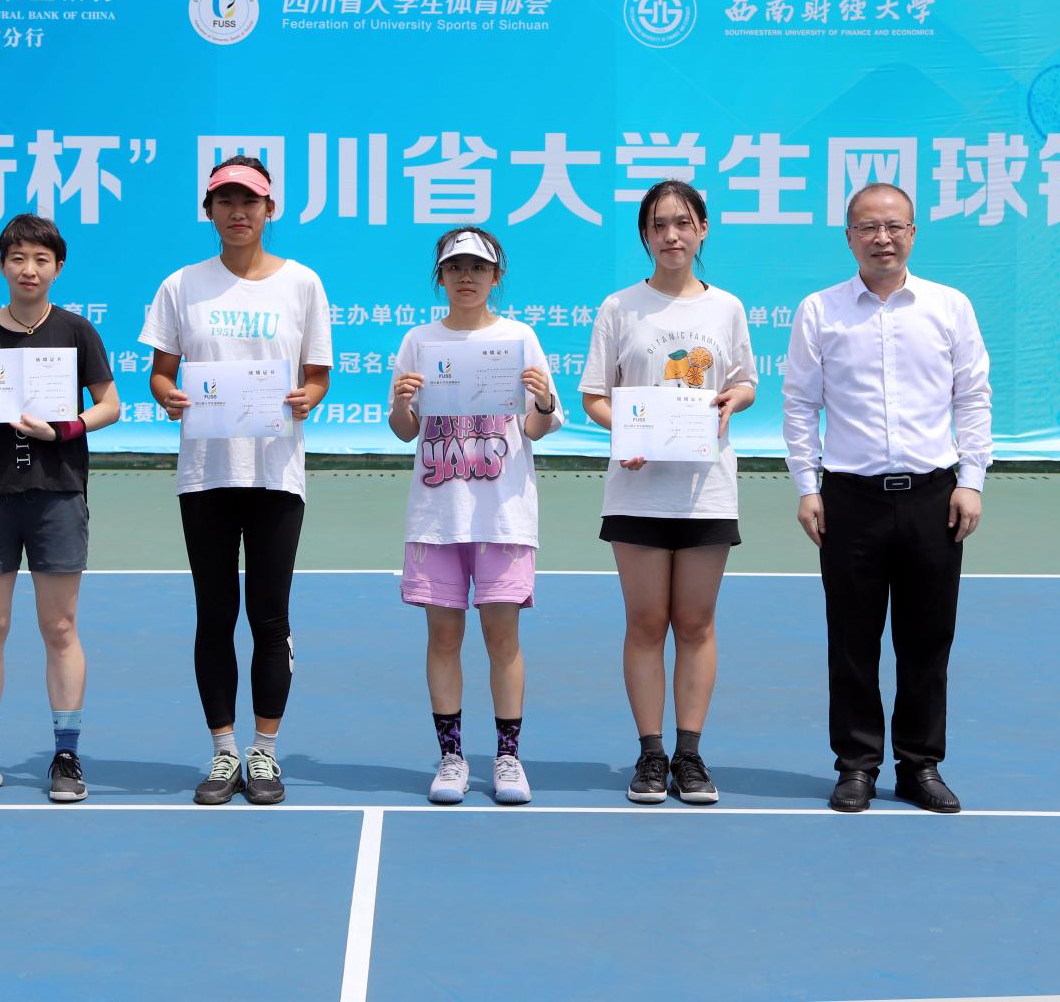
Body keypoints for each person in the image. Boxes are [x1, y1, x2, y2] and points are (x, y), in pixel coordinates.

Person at [782, 182, 991, 814]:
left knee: (928, 640)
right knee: (852, 640)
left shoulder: (949, 306)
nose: (882, 239)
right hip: (850, 498)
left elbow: (972, 396)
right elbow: (800, 405)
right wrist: (807, 487)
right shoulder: (820, 311)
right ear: (849, 237)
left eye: (894, 226)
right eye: (869, 228)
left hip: (934, 496)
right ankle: (856, 766)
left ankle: (920, 765)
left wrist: (971, 480)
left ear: (913, 234)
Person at [141, 156, 333, 805]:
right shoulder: (182, 285)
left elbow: (317, 375)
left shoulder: (302, 283)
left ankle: (265, 753)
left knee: (270, 616)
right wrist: (169, 396)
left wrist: (307, 397)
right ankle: (224, 751)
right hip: (206, 474)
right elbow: (162, 372)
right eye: (224, 201)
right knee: (215, 614)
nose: (237, 212)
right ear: (209, 211)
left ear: (269, 209)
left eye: (249, 201)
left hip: (276, 473)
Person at [580, 181, 756, 805]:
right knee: (647, 621)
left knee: (697, 622)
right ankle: (651, 754)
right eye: (659, 225)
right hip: (637, 491)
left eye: (683, 222)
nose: (671, 235)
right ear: (645, 236)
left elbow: (745, 383)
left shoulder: (726, 308)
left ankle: (690, 754)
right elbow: (594, 395)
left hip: (707, 490)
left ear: (702, 229)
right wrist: (626, 432)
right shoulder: (620, 307)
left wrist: (734, 400)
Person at [0, 213, 120, 803]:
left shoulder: (76, 331)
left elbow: (110, 405)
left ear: (58, 268)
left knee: (60, 627)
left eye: (41, 259)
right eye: (18, 258)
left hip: (58, 495)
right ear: (2, 265)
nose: (29, 269)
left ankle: (66, 755)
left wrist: (63, 429)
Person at [387, 228, 561, 806]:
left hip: (503, 515)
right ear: (440, 277)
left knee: (502, 637)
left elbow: (537, 427)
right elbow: (405, 431)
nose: (466, 277)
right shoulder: (419, 341)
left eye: (478, 268)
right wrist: (402, 403)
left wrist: (542, 400)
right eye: (455, 267)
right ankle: (452, 757)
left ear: (495, 277)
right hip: (438, 516)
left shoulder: (519, 338)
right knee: (443, 636)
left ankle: (508, 758)